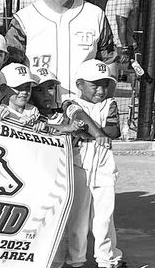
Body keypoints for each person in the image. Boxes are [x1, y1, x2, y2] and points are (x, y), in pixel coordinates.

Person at [6, 0, 117, 101]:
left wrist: (105, 103)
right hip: (38, 108)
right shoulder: (24, 18)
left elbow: (109, 61)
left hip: (85, 107)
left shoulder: (95, 15)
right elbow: (10, 67)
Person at [66, 59, 123, 268]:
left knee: (104, 219)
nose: (101, 89)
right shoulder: (70, 103)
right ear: (80, 84)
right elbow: (76, 117)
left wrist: (83, 130)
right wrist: (93, 131)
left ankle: (107, 260)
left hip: (105, 167)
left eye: (105, 84)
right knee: (78, 220)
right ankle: (76, 260)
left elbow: (113, 131)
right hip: (79, 165)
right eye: (94, 84)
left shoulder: (110, 103)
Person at [105, 0, 143, 80]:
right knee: (135, 76)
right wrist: (125, 49)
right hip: (120, 46)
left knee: (113, 77)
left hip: (115, 43)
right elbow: (121, 24)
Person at [0, 63, 44, 132]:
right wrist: (13, 119)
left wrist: (39, 124)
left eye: (27, 87)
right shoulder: (1, 111)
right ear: (3, 88)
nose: (24, 92)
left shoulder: (33, 110)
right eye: (18, 87)